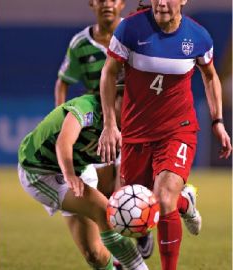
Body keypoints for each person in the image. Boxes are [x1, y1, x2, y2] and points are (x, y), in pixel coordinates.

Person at [97, 0, 232, 269]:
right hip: (136, 133)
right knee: (140, 201)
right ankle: (186, 202)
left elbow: (210, 75)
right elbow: (109, 73)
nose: (161, 2)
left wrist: (217, 120)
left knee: (163, 198)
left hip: (177, 130)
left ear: (183, 1)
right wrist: (110, 125)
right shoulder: (129, 29)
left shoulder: (198, 37)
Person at [54, 0, 154, 259]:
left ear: (121, 4)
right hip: (98, 123)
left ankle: (140, 228)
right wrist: (61, 116)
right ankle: (124, 241)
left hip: (133, 120)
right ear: (92, 4)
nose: (107, 4)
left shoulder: (132, 35)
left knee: (127, 184)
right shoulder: (80, 43)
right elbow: (62, 82)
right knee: (105, 191)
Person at [18, 83, 149, 270]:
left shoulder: (130, 127)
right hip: (41, 173)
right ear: (111, 97)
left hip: (80, 169)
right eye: (125, 101)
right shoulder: (87, 107)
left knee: (94, 254)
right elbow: (64, 142)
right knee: (105, 211)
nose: (130, 109)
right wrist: (70, 175)